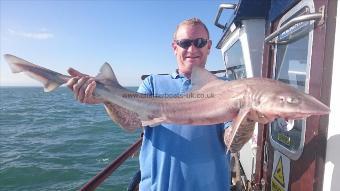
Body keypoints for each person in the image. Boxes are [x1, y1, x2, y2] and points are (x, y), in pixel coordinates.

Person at [67, 18, 231, 191]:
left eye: (199, 42)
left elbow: (232, 142)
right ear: (174, 48)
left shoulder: (226, 88)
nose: (192, 49)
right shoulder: (153, 83)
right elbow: (132, 122)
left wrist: (248, 120)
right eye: (184, 43)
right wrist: (107, 99)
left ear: (209, 46)